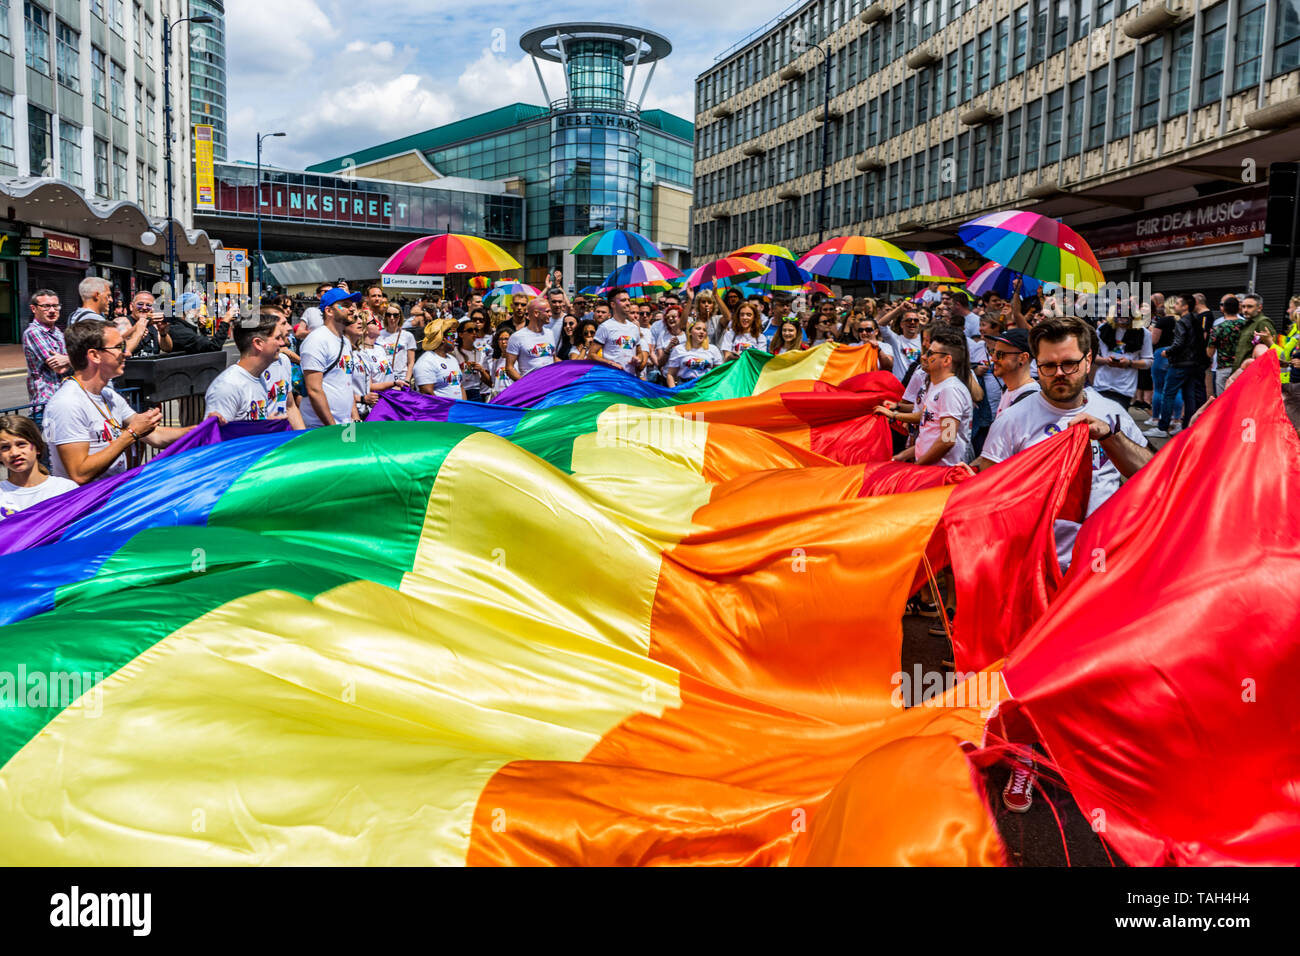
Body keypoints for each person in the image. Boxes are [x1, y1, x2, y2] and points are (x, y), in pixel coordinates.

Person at [973, 317, 1152, 571]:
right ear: (1037, 364)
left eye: (1069, 364)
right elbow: (988, 498)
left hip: (1101, 560)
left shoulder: (1113, 413)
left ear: (1088, 360)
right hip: (1037, 565)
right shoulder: (1012, 420)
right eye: (1049, 365)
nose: (1059, 373)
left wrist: (1110, 436)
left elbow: (1149, 472)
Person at [42, 319, 192, 483]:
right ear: (94, 355)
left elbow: (154, 436)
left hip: (110, 497)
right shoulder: (67, 403)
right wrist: (132, 434)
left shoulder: (108, 395)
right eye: (119, 347)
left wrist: (201, 428)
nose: (127, 353)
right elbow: (80, 473)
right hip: (86, 504)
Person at [882, 325, 973, 467]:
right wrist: (902, 456)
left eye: (930, 353)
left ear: (947, 360)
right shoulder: (937, 386)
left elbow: (947, 439)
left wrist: (918, 467)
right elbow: (929, 435)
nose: (924, 356)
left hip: (942, 474)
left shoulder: (951, 390)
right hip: (931, 470)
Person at [204, 315, 296, 423]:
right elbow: (215, 436)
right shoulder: (228, 386)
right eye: (277, 338)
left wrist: (266, 424)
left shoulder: (259, 379)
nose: (282, 343)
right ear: (258, 343)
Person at [299, 287, 362, 428]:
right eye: (345, 305)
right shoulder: (317, 340)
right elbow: (314, 390)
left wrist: (355, 419)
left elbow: (346, 383)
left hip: (346, 425)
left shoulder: (345, 341)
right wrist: (332, 427)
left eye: (351, 305)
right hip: (321, 427)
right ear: (329, 311)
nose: (352, 309)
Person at [1150, 295, 1206, 437]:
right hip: (1193, 364)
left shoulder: (1182, 322)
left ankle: (1162, 427)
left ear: (1185, 306)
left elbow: (1179, 343)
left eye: (1178, 303)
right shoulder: (1196, 320)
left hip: (1180, 363)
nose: (1175, 306)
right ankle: (1186, 426)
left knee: (1168, 394)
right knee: (1189, 395)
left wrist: (1167, 352)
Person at [0, 415, 77, 518]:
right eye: (5, 447)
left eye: (21, 444)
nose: (14, 453)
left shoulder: (65, 489)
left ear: (37, 447)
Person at [1092, 311, 1153, 409]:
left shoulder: (1143, 333)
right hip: (1101, 384)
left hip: (1124, 387)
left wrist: (1129, 363)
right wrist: (1106, 360)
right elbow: (1092, 356)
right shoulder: (1103, 329)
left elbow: (1148, 361)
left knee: (1118, 421)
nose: (1121, 318)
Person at [22, 289, 70, 405]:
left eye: (55, 306)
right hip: (46, 402)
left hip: (65, 398)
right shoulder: (33, 332)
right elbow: (59, 368)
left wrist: (67, 359)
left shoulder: (58, 332)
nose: (52, 310)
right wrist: (75, 359)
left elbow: (66, 363)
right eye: (46, 306)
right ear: (34, 309)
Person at [986, 328, 1040, 416]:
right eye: (993, 352)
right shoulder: (1008, 388)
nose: (993, 359)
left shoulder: (1029, 398)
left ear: (1023, 358)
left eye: (1000, 354)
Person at [591, 288, 645, 373]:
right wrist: (610, 363)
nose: (628, 303)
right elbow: (592, 354)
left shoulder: (634, 328)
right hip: (612, 379)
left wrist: (638, 359)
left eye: (628, 300)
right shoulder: (605, 327)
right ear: (613, 304)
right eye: (623, 300)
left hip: (629, 379)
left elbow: (639, 353)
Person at [505, 298, 557, 380]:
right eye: (547, 311)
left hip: (551, 385)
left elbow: (553, 358)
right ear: (536, 313)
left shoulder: (550, 333)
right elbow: (509, 368)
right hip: (532, 388)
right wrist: (525, 385)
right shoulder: (517, 337)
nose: (550, 314)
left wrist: (571, 366)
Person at [413, 318, 465, 400]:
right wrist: (444, 410)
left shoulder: (453, 359)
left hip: (457, 411)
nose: (455, 339)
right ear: (443, 338)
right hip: (439, 411)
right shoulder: (426, 362)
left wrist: (464, 408)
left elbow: (460, 386)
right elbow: (427, 393)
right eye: (452, 336)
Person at [169, 291, 235, 354]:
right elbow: (213, 347)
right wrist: (225, 322)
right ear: (188, 311)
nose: (199, 315)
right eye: (197, 311)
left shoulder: (180, 327)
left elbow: (203, 347)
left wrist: (201, 329)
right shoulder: (183, 332)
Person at [665, 320, 723, 387]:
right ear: (690, 332)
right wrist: (674, 391)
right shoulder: (679, 349)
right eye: (698, 329)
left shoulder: (713, 349)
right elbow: (670, 375)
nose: (702, 332)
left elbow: (718, 373)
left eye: (704, 330)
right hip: (685, 387)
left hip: (705, 387)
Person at [127, 291, 173, 357]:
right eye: (140, 304)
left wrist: (163, 333)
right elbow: (123, 350)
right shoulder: (123, 322)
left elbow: (167, 349)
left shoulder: (154, 325)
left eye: (149, 305)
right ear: (131, 306)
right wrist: (137, 331)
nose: (144, 308)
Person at [453, 317, 489, 401]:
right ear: (461, 334)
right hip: (457, 392)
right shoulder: (453, 353)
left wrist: (481, 370)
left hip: (475, 393)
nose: (474, 333)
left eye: (476, 330)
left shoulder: (481, 354)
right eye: (470, 330)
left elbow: (490, 383)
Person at [485, 324, 515, 398]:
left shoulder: (517, 361)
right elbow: (493, 382)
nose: (503, 342)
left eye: (506, 339)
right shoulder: (496, 362)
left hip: (511, 396)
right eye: (500, 339)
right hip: (498, 397)